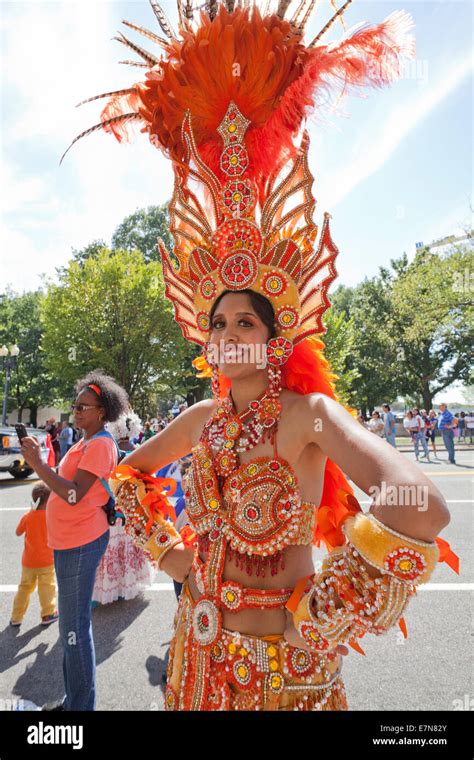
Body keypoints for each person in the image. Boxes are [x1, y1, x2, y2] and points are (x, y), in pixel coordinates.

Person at [73, 1, 458, 713]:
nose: (225, 335)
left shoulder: (309, 415)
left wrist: (327, 609)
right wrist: (168, 554)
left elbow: (422, 505)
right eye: (216, 322)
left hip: (287, 673)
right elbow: (128, 475)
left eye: (244, 320)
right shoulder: (199, 418)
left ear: (275, 336)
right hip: (195, 656)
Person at [20, 370, 129, 711]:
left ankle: (80, 709)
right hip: (70, 541)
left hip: (79, 544)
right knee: (72, 629)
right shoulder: (86, 442)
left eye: (85, 406)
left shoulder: (99, 445)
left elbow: (72, 496)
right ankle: (73, 702)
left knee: (73, 630)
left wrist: (37, 463)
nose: (77, 410)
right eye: (75, 405)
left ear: (102, 411)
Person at [10, 482, 58, 628]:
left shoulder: (28, 516)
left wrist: (30, 515)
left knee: (24, 588)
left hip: (28, 562)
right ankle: (47, 614)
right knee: (47, 588)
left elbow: (18, 532)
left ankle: (16, 617)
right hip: (47, 561)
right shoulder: (51, 517)